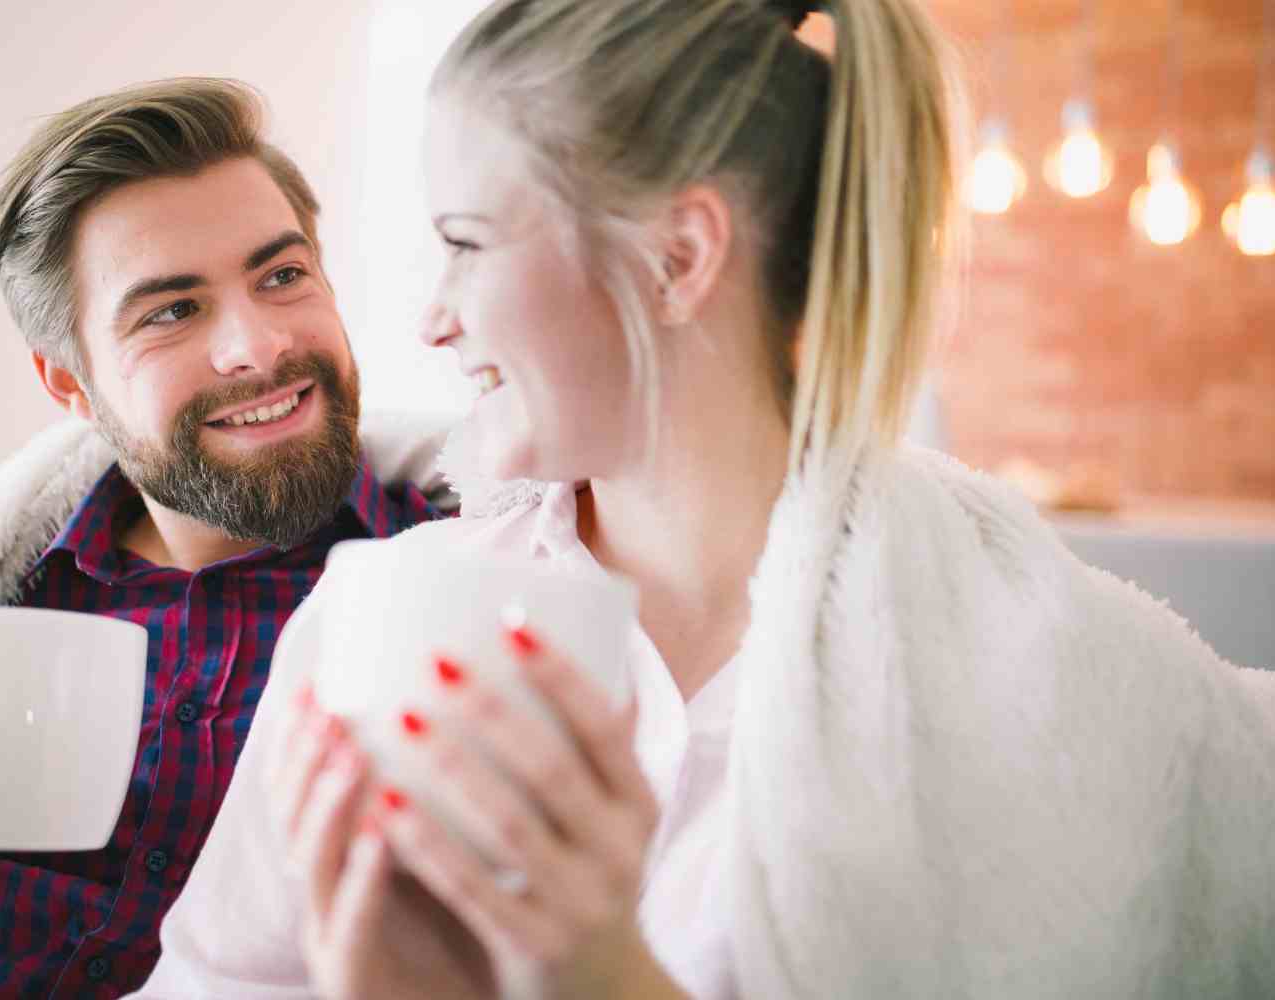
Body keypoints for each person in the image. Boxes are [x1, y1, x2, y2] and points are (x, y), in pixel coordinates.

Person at [137, 1, 1275, 998]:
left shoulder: (1050, 680)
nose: (435, 318)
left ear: (679, 257)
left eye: (467, 244)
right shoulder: (381, 625)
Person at [0, 78, 448, 997]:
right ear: (71, 386)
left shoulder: (455, 587)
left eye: (282, 276)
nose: (256, 345)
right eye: (172, 311)